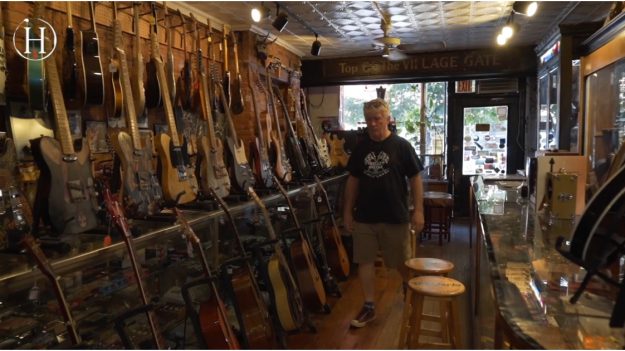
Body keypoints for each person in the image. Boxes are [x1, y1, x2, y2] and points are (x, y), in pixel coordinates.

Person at [343, 98, 424, 328]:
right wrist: (347, 212)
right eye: (369, 119)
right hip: (365, 217)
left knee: (401, 262)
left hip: (394, 215)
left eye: (377, 119)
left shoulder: (401, 146)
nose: (372, 123)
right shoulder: (361, 149)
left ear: (388, 119)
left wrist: (418, 210)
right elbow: (352, 182)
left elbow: (416, 179)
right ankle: (369, 306)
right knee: (365, 262)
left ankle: (410, 290)